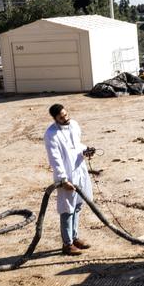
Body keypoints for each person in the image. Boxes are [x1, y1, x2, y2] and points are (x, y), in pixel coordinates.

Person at [44, 103, 94, 256]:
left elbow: (76, 145)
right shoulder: (51, 134)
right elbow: (55, 159)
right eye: (61, 117)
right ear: (55, 118)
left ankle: (74, 237)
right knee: (67, 209)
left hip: (79, 171)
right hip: (67, 175)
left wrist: (86, 150)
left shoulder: (74, 125)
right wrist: (63, 179)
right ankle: (67, 244)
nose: (65, 118)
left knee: (77, 205)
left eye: (66, 114)